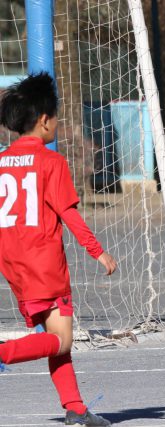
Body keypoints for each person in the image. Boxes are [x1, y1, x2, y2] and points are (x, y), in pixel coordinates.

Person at [0, 72, 117, 426]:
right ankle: (3, 353)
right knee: (61, 341)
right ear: (44, 120)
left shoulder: (1, 161)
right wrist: (98, 251)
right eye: (56, 118)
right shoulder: (51, 162)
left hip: (14, 265)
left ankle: (75, 408)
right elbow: (69, 214)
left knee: (54, 335)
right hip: (45, 263)